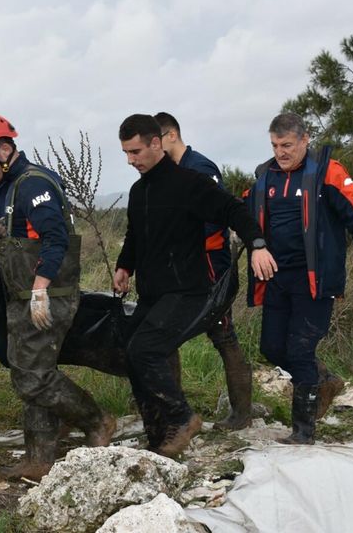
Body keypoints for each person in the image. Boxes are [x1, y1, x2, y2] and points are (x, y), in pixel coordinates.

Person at [113, 114, 276, 457]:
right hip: (152, 291)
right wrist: (124, 266)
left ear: (156, 143)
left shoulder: (188, 182)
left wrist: (258, 244)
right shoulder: (139, 190)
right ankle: (159, 437)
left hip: (187, 290)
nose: (130, 160)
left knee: (145, 349)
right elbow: (134, 234)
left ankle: (183, 418)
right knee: (131, 353)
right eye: (126, 153)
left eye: (135, 151)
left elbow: (233, 210)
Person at [0, 112, 116, 481]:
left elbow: (56, 237)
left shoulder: (34, 183)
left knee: (31, 376)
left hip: (47, 294)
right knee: (31, 368)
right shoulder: (2, 189)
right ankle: (39, 457)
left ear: (4, 150)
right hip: (20, 294)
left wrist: (40, 287)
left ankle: (96, 420)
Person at [244, 113, 353, 444]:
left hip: (315, 280)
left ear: (305, 139)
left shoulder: (327, 173)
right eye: (275, 146)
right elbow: (243, 211)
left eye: (287, 145)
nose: (281, 152)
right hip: (276, 278)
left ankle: (302, 432)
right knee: (271, 348)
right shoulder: (265, 177)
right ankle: (324, 381)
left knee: (300, 350)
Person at [155, 112, 253, 430]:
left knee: (224, 335)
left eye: (156, 141)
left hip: (210, 267)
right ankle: (176, 415)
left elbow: (215, 217)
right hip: (180, 270)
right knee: (165, 335)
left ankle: (241, 414)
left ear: (171, 136)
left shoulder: (200, 168)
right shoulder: (168, 172)